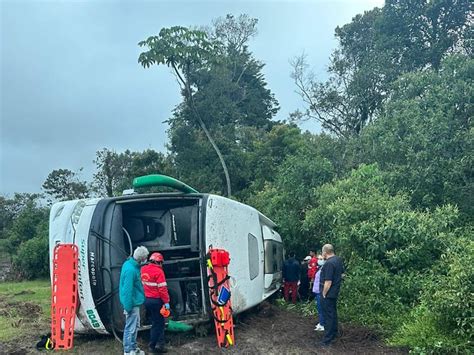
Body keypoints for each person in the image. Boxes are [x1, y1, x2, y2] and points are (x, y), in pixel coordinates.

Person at [120, 246, 149, 355]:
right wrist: (127, 307)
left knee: (134, 326)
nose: (146, 259)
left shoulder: (129, 265)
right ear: (141, 258)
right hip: (131, 304)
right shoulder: (131, 270)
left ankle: (133, 347)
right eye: (145, 257)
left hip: (133, 302)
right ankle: (128, 350)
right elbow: (128, 290)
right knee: (130, 328)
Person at [141, 252, 170, 354]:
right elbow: (162, 289)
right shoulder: (159, 272)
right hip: (156, 301)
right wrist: (166, 302)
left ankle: (158, 344)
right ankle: (155, 346)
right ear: (159, 262)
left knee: (155, 321)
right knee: (159, 323)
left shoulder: (143, 269)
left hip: (147, 300)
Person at [319, 244, 345, 346]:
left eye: (322, 252)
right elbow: (342, 274)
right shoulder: (338, 260)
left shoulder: (329, 263)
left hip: (328, 294)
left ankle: (327, 340)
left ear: (325, 252)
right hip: (334, 292)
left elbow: (328, 281)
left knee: (328, 316)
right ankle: (334, 333)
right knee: (333, 313)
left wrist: (324, 293)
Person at [312, 254, 325, 331]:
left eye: (321, 259)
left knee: (321, 309)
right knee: (319, 308)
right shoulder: (320, 269)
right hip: (317, 291)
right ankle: (321, 322)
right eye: (318, 259)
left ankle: (322, 324)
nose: (319, 260)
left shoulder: (323, 270)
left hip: (320, 291)